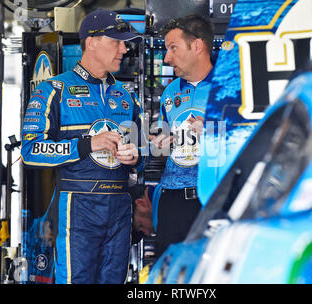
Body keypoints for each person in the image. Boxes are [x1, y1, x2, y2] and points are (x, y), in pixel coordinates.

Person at [21, 8, 146, 284]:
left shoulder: (126, 97)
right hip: (77, 206)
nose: (124, 49)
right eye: (117, 41)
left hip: (119, 206)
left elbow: (145, 153)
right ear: (91, 42)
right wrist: (88, 144)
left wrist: (136, 157)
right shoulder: (53, 90)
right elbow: (30, 151)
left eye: (125, 42)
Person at [149, 15, 214, 256]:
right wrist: (159, 144)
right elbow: (162, 140)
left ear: (197, 46)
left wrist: (213, 131)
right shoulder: (170, 91)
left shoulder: (230, 87)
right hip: (172, 200)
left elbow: (252, 138)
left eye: (173, 48)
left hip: (213, 197)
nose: (167, 58)